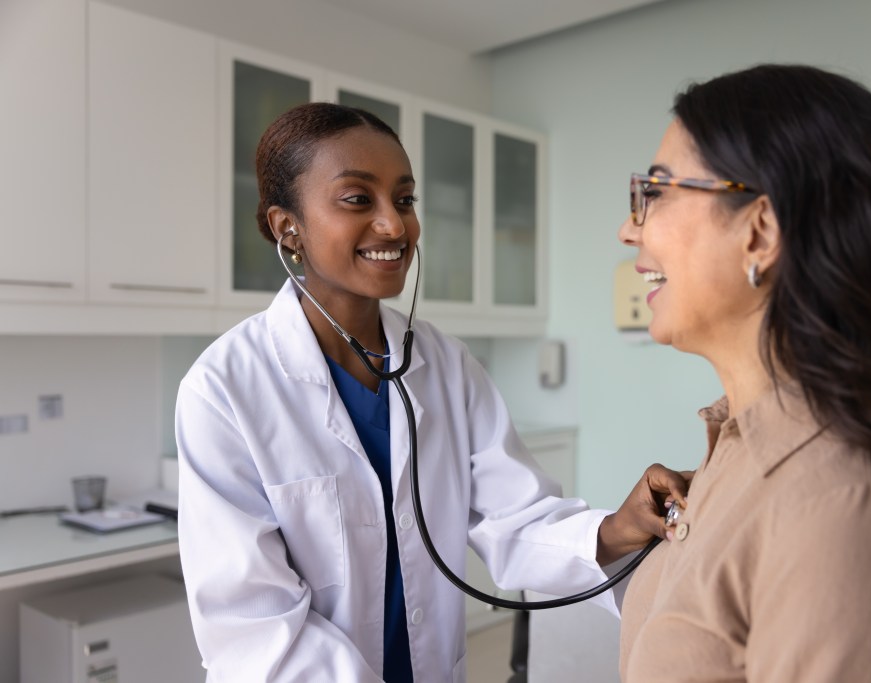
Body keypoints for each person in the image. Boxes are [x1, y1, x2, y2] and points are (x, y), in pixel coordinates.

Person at [175, 102, 687, 682]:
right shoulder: (224, 390)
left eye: (405, 198)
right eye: (357, 199)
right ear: (285, 226)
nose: (395, 225)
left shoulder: (445, 364)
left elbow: (515, 520)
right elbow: (255, 630)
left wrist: (621, 526)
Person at [616, 64, 871, 682]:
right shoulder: (732, 456)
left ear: (761, 232)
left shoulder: (847, 513)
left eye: (658, 191)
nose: (629, 228)